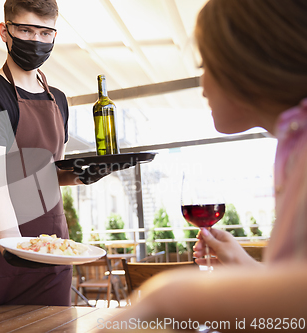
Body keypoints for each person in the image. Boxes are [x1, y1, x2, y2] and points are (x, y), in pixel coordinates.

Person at [103, 0, 307, 329]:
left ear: (244, 62)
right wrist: (242, 264)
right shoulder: (294, 143)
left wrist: (169, 295)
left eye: (205, 65)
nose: (202, 87)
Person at [0, 0, 111, 315]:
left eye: (44, 32)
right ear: (5, 31)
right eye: (25, 30)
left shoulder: (59, 101)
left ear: (54, 35)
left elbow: (49, 172)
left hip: (52, 247)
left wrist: (80, 174)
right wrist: (14, 246)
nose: (35, 41)